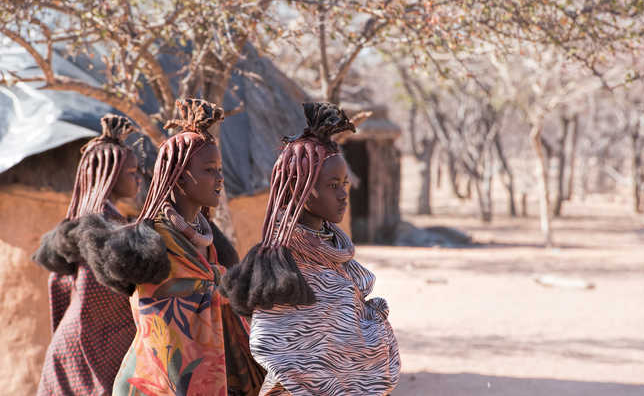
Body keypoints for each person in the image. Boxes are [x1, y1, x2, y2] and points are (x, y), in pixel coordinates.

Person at [88, 98, 264, 396]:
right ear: (181, 177)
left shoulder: (206, 241)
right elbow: (164, 343)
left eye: (220, 169)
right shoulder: (153, 244)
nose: (220, 178)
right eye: (210, 170)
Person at [223, 102, 400, 396]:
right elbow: (274, 346)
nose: (344, 194)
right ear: (297, 187)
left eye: (345, 183)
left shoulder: (336, 257)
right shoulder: (282, 269)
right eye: (332, 185)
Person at [33, 114, 140, 395]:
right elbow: (100, 295)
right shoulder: (98, 228)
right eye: (131, 173)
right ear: (111, 175)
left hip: (85, 348)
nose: (138, 178)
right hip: (85, 356)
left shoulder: (101, 222)